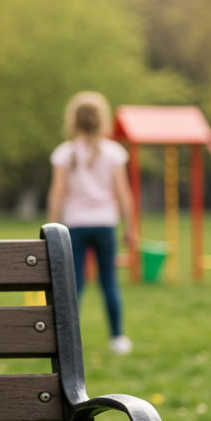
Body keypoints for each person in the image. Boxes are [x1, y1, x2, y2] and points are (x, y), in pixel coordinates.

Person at [47, 91, 135, 355]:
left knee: (73, 285)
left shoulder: (64, 153)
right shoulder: (114, 153)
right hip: (105, 224)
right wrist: (131, 227)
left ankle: (68, 342)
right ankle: (117, 338)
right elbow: (124, 193)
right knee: (109, 281)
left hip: (74, 226)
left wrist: (51, 228)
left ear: (73, 120)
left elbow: (57, 194)